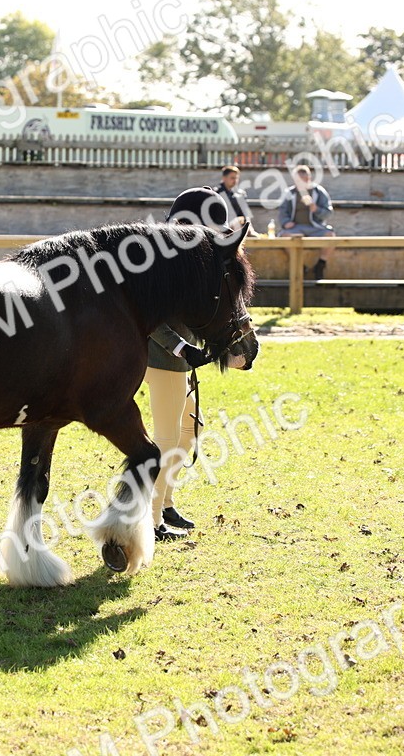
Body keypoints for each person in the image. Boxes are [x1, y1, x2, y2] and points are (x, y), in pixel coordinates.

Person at [143, 186, 231, 541]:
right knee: (165, 438)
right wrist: (180, 347)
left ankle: (165, 502)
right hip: (159, 358)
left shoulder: (190, 258)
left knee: (188, 431)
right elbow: (149, 315)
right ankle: (149, 522)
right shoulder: (159, 260)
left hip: (181, 360)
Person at [277, 164, 335, 279]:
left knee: (330, 236)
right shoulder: (289, 193)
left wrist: (316, 209)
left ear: (309, 178)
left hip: (315, 227)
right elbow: (282, 211)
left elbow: (328, 212)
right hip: (296, 227)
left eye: (305, 180)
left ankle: (320, 264)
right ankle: (300, 266)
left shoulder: (319, 192)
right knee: (284, 236)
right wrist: (286, 222)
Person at [216, 165, 261, 237]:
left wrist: (249, 228)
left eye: (236, 178)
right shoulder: (216, 193)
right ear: (224, 178)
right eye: (232, 178)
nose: (235, 181)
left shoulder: (241, 194)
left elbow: (246, 214)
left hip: (239, 226)